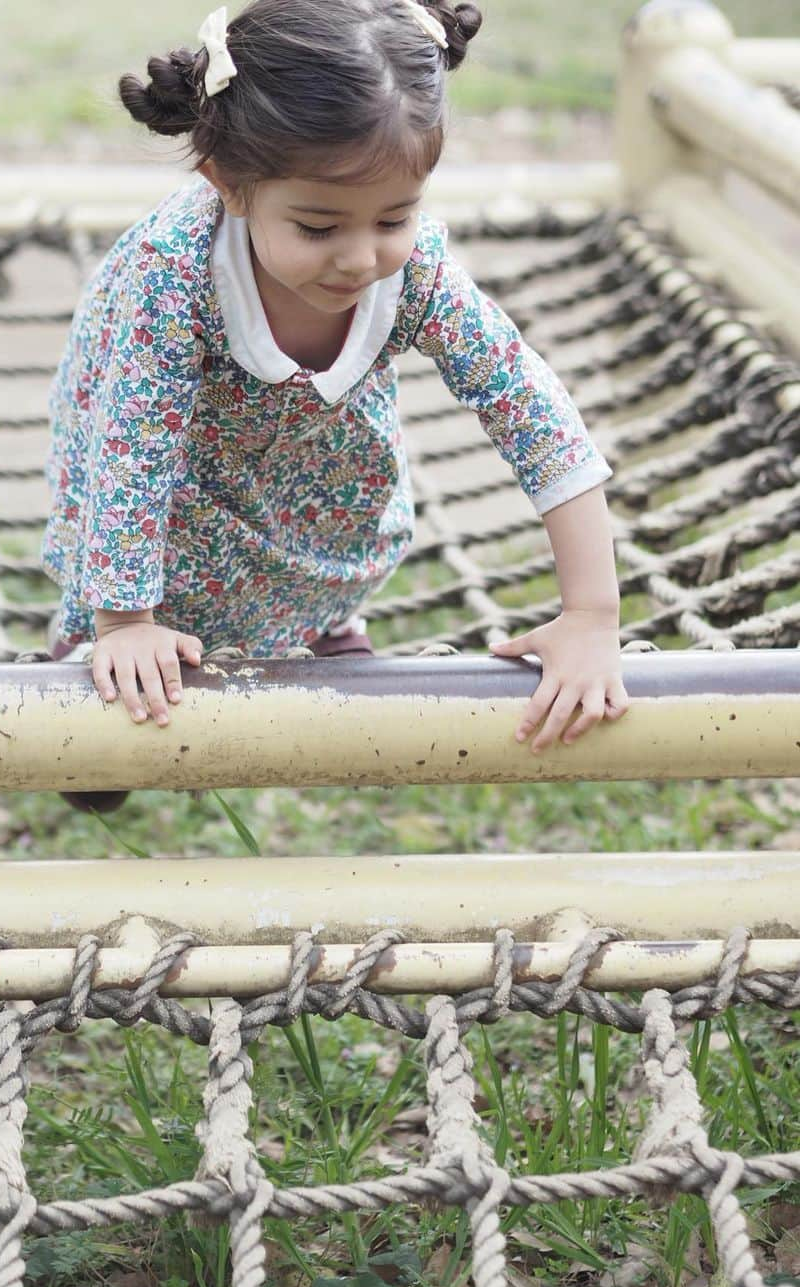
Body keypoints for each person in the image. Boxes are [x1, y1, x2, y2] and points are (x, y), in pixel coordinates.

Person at [42, 0, 630, 813]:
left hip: (320, 483)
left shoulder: (413, 269)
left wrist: (592, 614)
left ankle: (314, 617)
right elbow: (132, 455)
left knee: (325, 564)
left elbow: (532, 414)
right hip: (173, 495)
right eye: (318, 226)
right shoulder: (170, 277)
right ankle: (102, 635)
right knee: (103, 754)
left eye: (395, 216)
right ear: (230, 185)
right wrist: (123, 623)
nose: (361, 257)